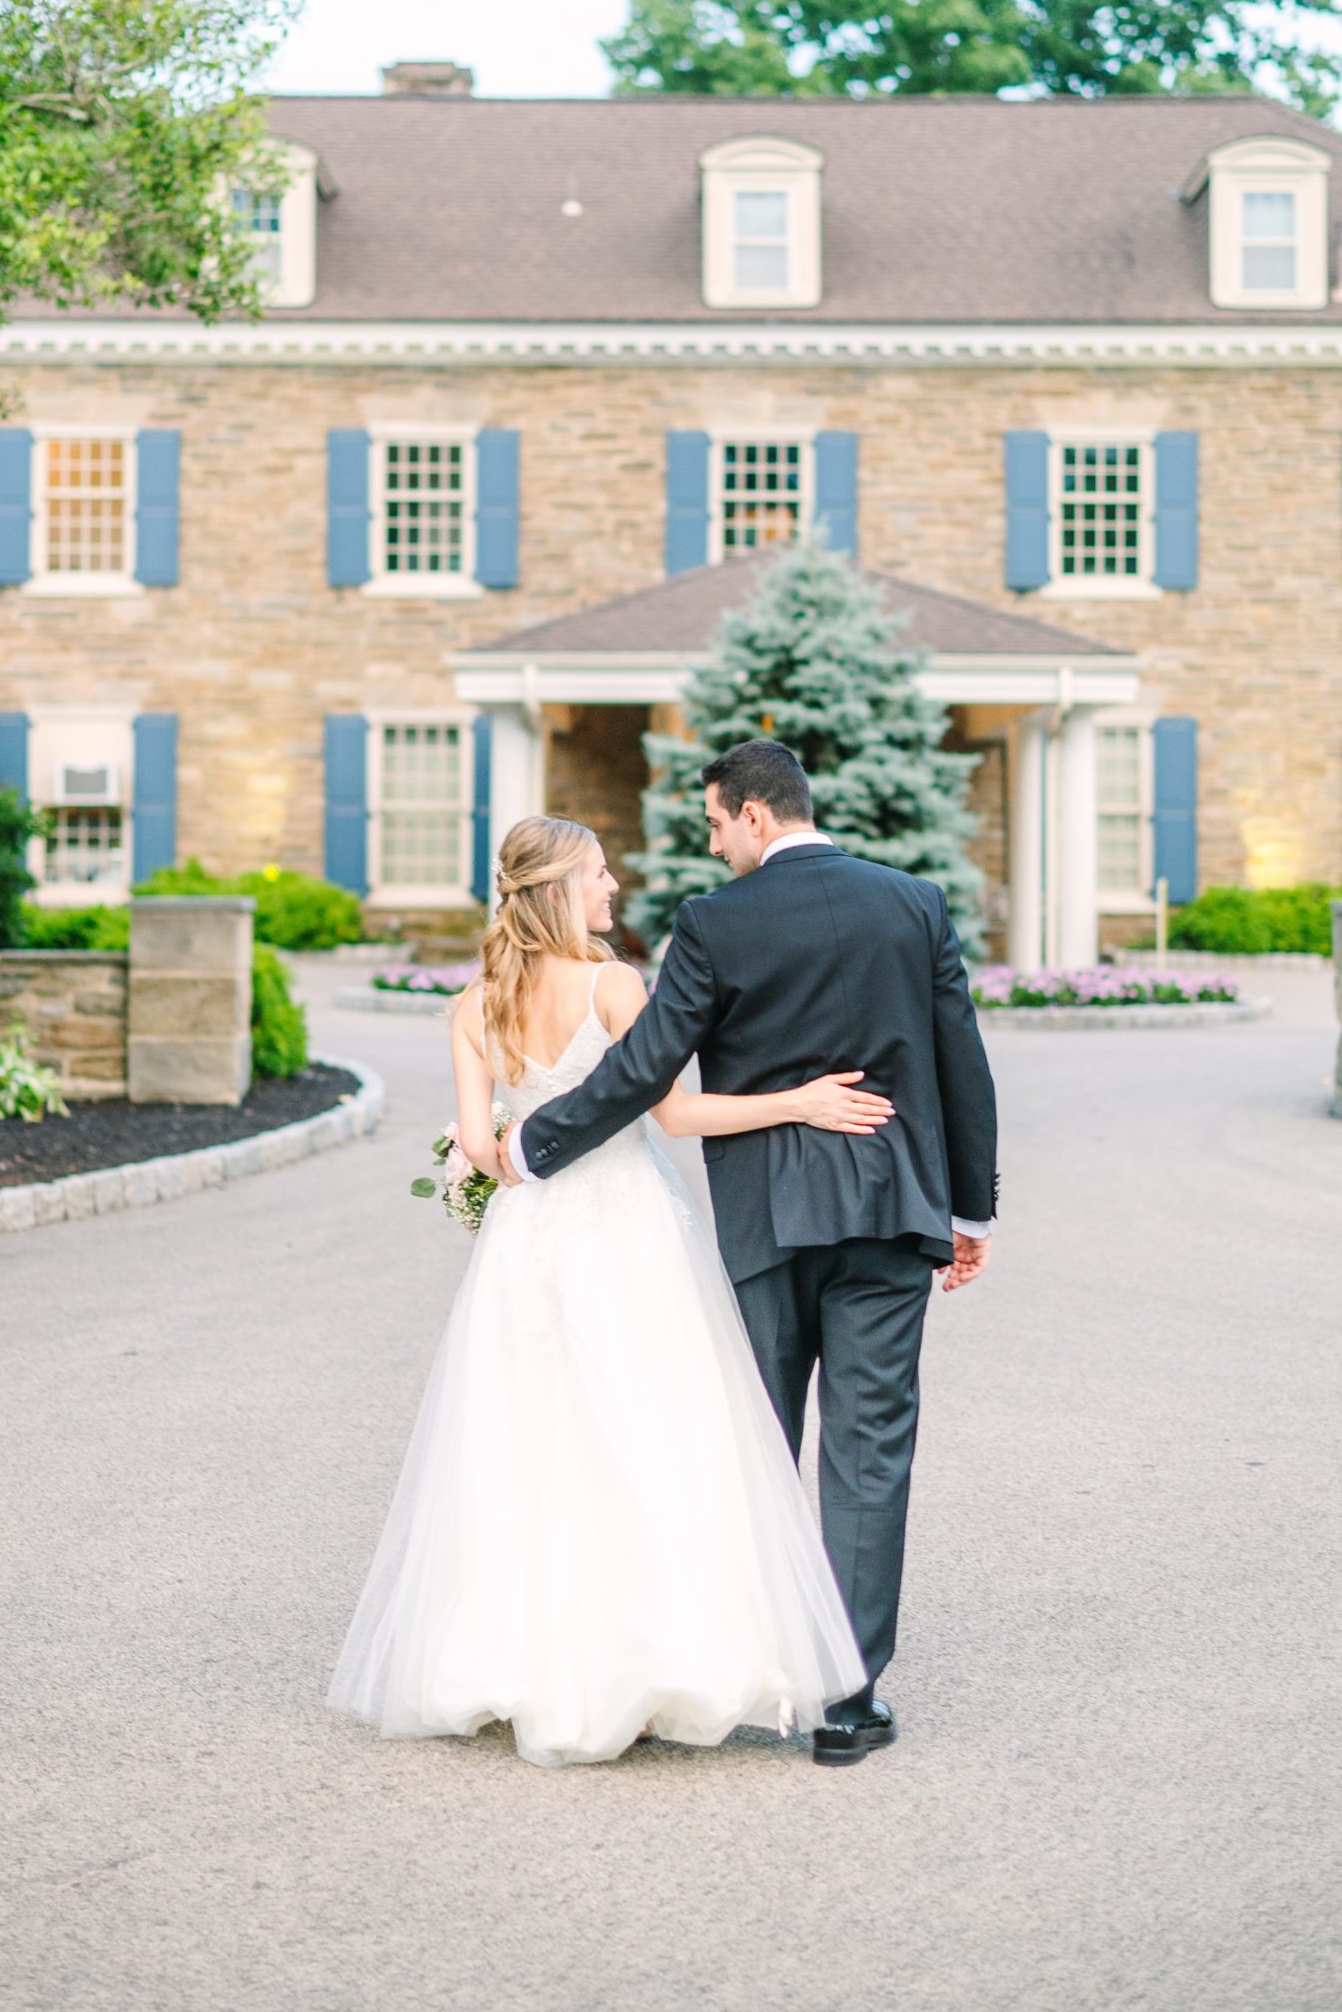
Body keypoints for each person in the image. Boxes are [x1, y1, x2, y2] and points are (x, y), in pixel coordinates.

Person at [327, 810, 890, 1769]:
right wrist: (800, 1103)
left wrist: (513, 1159)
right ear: (557, 889)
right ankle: (660, 1660)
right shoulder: (614, 984)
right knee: (648, 1432)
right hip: (625, 1226)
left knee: (527, 1440)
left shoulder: (475, 1005)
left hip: (526, 1240)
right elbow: (674, 1114)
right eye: (595, 874)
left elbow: (479, 1148)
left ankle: (517, 1661)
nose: (611, 887)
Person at [489, 739, 998, 1767]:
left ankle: (742, 1668)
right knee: (869, 1448)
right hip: (893, 1211)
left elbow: (644, 1065)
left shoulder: (717, 922)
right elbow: (960, 1061)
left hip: (767, 1222)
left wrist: (534, 1143)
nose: (712, 840)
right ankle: (846, 1702)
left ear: (756, 816)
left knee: (749, 1446)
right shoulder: (913, 902)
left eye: (716, 820)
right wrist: (968, 1212)